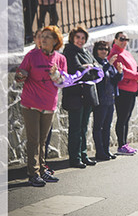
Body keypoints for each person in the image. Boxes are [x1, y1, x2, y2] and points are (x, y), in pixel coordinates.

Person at [15, 26, 67, 186]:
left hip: (48, 104)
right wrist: (21, 76)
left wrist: (55, 74)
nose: (43, 39)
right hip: (31, 103)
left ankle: (43, 171)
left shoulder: (60, 59)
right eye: (42, 36)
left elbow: (63, 82)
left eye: (47, 37)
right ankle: (33, 173)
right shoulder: (31, 56)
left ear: (55, 41)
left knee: (43, 140)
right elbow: (19, 76)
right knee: (33, 140)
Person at [62, 26, 102, 168]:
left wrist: (89, 67)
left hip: (87, 95)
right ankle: (75, 158)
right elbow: (76, 69)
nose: (80, 40)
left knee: (84, 128)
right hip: (75, 96)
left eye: (83, 38)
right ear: (72, 38)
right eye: (78, 37)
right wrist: (88, 68)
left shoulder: (85, 52)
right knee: (75, 129)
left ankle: (84, 155)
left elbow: (96, 68)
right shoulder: (69, 52)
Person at [109, 32, 138, 154]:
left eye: (126, 39)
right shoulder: (114, 53)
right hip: (123, 90)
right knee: (122, 118)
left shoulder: (126, 53)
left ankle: (124, 144)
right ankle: (121, 145)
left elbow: (133, 68)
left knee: (126, 118)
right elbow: (123, 71)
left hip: (132, 90)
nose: (124, 41)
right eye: (121, 39)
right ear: (115, 40)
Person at [91, 40, 123, 161]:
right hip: (101, 100)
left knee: (107, 126)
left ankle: (106, 150)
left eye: (105, 49)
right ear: (96, 50)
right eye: (101, 49)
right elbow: (99, 75)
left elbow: (114, 80)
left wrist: (120, 72)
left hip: (110, 99)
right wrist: (109, 64)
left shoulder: (106, 62)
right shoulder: (96, 63)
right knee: (98, 127)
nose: (104, 51)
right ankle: (99, 152)